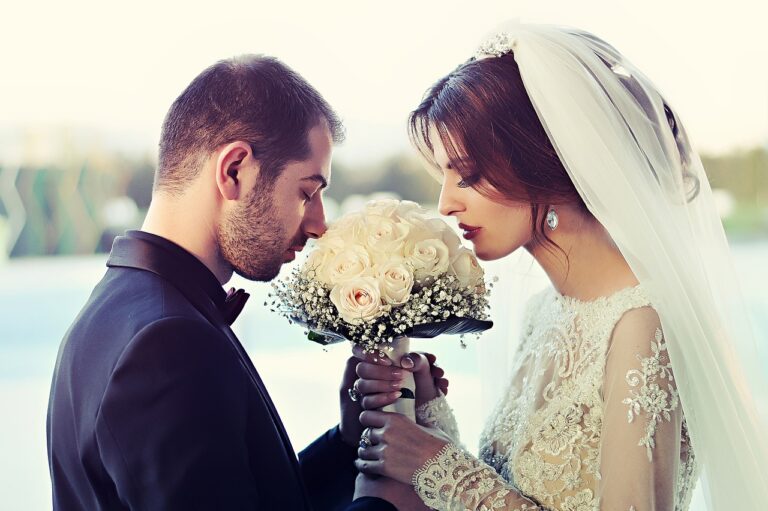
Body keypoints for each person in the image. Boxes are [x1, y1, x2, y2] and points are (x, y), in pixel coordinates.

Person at [352, 23, 768, 510]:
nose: (445, 204)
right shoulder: (545, 310)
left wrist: (436, 465)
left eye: (468, 174)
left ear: (543, 160)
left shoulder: (641, 325)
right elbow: (514, 485)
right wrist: (426, 415)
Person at [46, 54, 414, 511]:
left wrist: (345, 443)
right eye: (306, 191)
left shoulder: (122, 307)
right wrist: (388, 503)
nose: (319, 224)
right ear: (235, 169)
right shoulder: (168, 343)